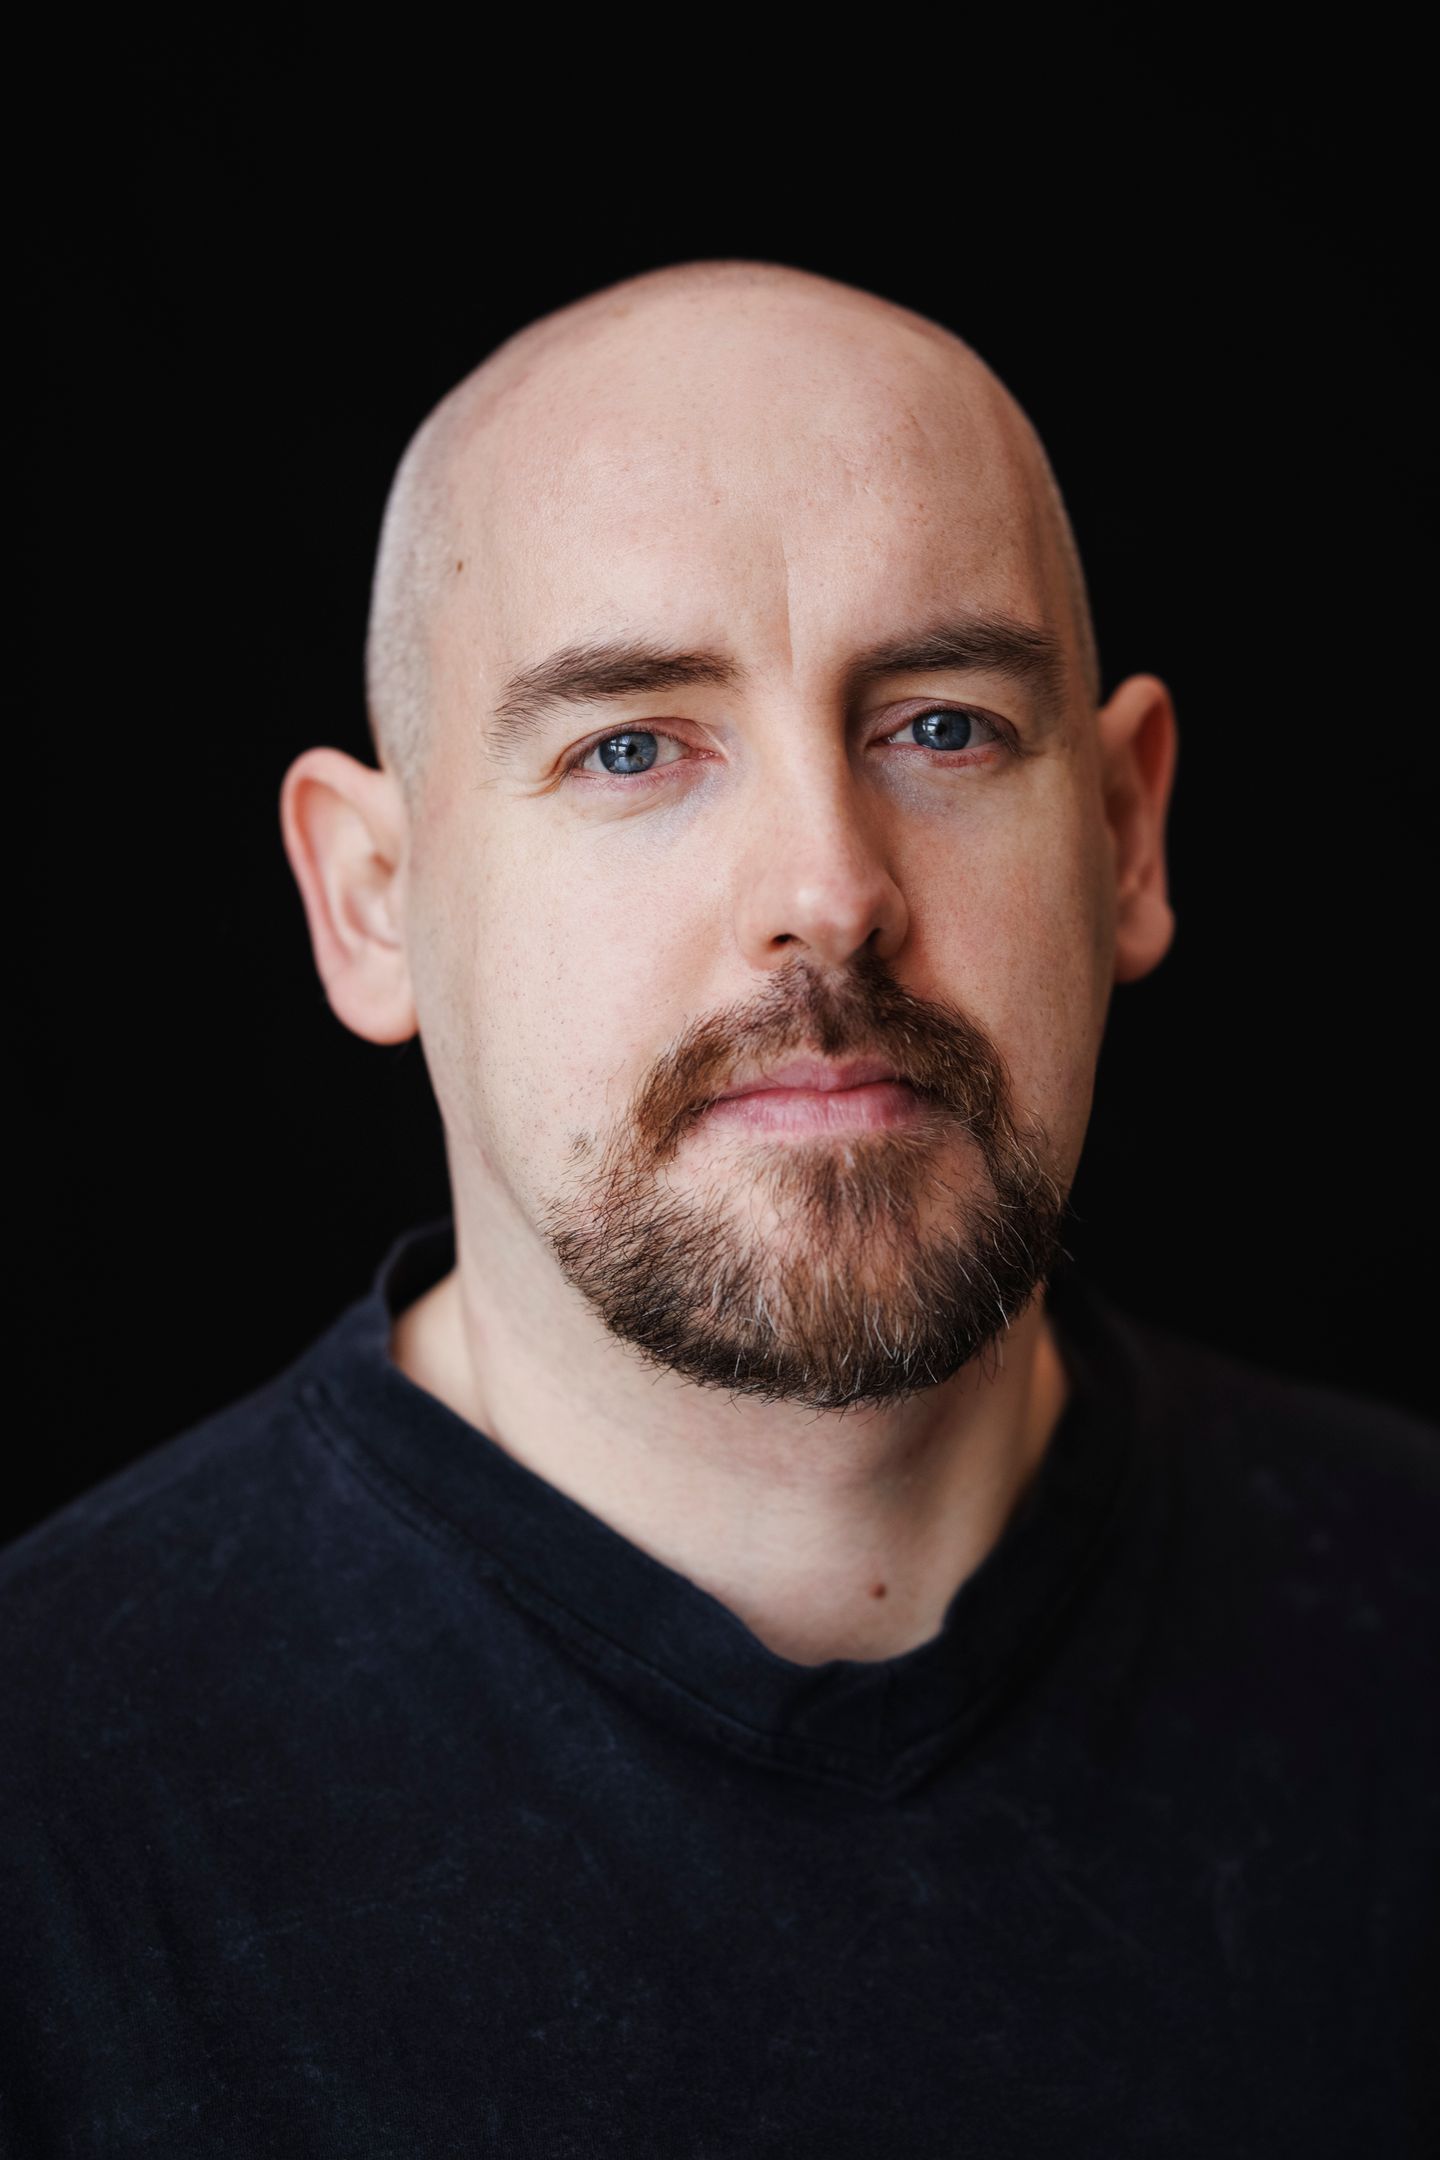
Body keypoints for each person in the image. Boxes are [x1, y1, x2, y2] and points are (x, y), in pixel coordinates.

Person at [2, 258, 1436, 2157]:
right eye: (631, 746)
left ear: (1125, 834)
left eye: (942, 725)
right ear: (371, 900)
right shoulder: (48, 1803)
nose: (827, 891)